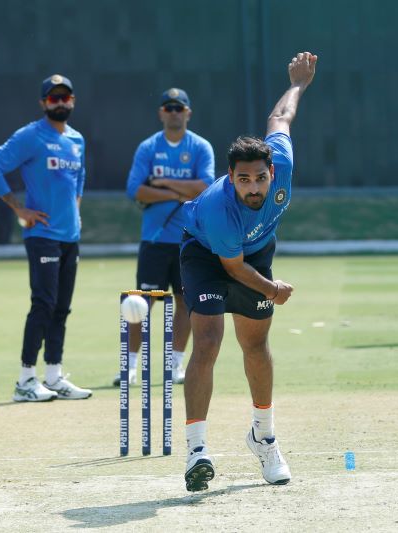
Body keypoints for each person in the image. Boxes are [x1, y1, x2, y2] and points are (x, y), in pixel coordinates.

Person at [180, 51, 317, 492]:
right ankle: (196, 450)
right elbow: (232, 267)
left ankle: (264, 437)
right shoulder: (219, 209)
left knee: (255, 345)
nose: (253, 188)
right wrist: (273, 289)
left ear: (272, 170)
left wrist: (297, 84)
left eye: (260, 178)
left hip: (254, 254)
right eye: (243, 180)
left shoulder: (282, 162)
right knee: (207, 341)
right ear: (231, 176)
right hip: (208, 254)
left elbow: (280, 118)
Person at [0, 74, 92, 401]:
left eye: (65, 97)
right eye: (53, 98)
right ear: (43, 103)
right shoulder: (30, 135)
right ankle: (25, 380)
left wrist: (76, 211)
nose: (60, 102)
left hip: (69, 236)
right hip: (42, 234)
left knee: (62, 308)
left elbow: (79, 177)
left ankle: (53, 375)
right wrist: (18, 208)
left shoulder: (77, 139)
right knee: (43, 303)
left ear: (72, 101)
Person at [115, 88, 215, 387]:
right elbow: (135, 190)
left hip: (190, 240)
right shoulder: (148, 147)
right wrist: (178, 193)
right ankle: (130, 367)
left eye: (179, 108)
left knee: (184, 302)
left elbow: (205, 187)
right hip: (155, 241)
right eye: (168, 108)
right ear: (161, 112)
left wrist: (162, 183)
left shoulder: (200, 147)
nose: (174, 113)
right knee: (141, 303)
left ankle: (175, 365)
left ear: (188, 113)